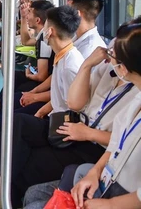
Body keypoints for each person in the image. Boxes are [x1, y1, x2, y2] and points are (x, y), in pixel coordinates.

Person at [0, 5, 85, 209]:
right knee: (17, 123)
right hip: (53, 117)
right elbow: (60, 97)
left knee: (19, 128)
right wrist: (40, 108)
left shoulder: (72, 66)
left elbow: (71, 106)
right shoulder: (63, 56)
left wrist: (38, 103)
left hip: (63, 130)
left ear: (50, 31)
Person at [24, 21, 141, 209]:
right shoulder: (132, 98)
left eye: (113, 54)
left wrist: (107, 205)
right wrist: (95, 172)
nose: (109, 55)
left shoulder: (133, 95)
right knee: (33, 194)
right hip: (104, 173)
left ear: (124, 67)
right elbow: (117, 142)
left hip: (119, 191)